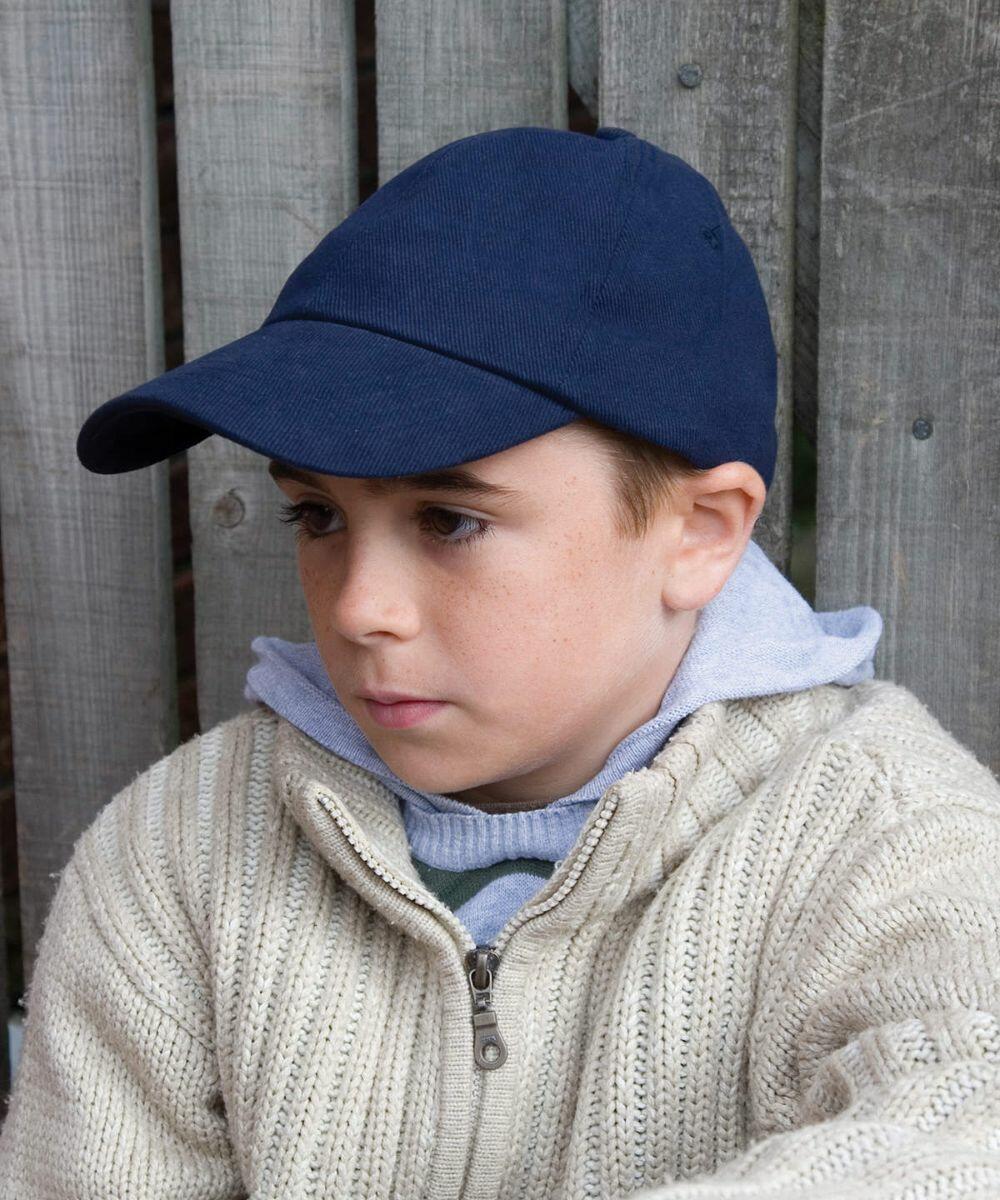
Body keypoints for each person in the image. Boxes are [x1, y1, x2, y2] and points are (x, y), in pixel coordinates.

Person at [1, 124, 998, 1198]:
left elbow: (966, 1124)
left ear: (700, 533)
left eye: (449, 519)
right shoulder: (183, 853)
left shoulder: (886, 835)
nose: (360, 608)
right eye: (317, 514)